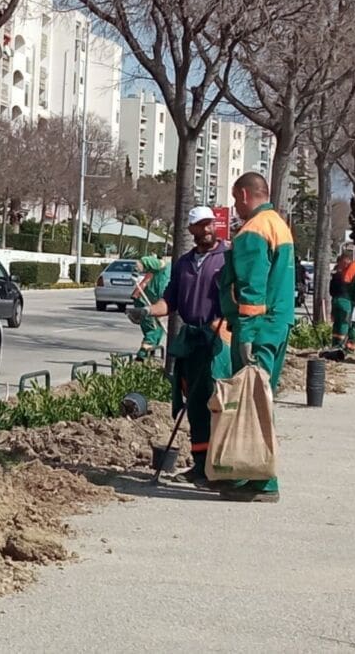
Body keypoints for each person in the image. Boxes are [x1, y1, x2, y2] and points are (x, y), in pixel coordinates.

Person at [128, 206, 229, 487]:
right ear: (192, 230)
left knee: (218, 403)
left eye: (210, 224)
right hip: (192, 341)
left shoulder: (227, 258)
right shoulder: (183, 264)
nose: (207, 229)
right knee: (195, 403)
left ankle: (221, 467)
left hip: (219, 340)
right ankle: (200, 466)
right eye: (201, 225)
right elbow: (169, 302)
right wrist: (147, 312)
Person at [215, 172, 295, 503]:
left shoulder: (252, 232)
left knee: (252, 402)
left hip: (257, 330)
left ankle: (257, 480)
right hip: (276, 325)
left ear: (246, 195)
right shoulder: (278, 224)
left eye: (236, 199)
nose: (235, 207)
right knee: (263, 399)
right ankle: (255, 475)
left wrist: (245, 335)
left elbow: (251, 288)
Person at [132, 254, 170, 359]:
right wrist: (138, 267)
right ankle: (141, 357)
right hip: (146, 302)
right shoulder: (165, 266)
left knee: (158, 330)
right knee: (154, 330)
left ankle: (149, 355)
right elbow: (147, 261)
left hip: (156, 304)